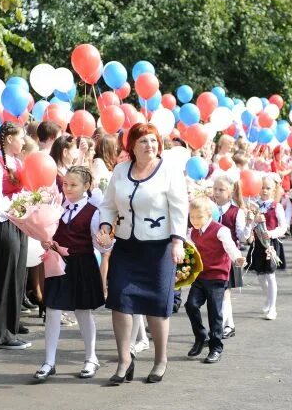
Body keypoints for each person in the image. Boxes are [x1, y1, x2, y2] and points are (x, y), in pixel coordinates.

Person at [96, 123, 188, 384]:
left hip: (159, 248)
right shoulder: (121, 171)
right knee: (120, 300)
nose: (150, 146)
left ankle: (161, 359)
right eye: (143, 142)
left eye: (153, 140)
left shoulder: (169, 171)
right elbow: (107, 205)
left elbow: (180, 209)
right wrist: (105, 227)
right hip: (126, 246)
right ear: (132, 147)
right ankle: (125, 359)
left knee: (157, 307)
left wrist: (177, 242)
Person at [34, 166, 106, 381]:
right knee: (53, 310)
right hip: (58, 264)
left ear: (87, 186)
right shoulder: (56, 209)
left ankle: (91, 357)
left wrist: (106, 242)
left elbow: (101, 245)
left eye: (73, 185)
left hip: (82, 264)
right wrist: (45, 242)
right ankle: (49, 361)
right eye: (65, 184)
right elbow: (47, 231)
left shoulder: (94, 213)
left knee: (83, 312)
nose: (68, 188)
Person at [0, 121, 32, 350]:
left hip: (18, 221)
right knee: (5, 277)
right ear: (9, 138)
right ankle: (1, 334)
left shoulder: (17, 162)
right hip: (3, 223)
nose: (23, 141)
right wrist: (16, 206)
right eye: (20, 137)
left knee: (18, 277)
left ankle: (12, 328)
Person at [185, 197, 245, 364]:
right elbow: (188, 248)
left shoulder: (220, 230)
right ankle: (201, 337)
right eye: (191, 217)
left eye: (198, 217)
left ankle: (215, 347)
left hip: (217, 277)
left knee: (215, 313)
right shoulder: (192, 231)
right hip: (200, 276)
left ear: (209, 215)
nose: (194, 221)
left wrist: (238, 258)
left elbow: (230, 247)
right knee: (191, 305)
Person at [210, 176, 248, 338]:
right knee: (219, 293)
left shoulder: (236, 212)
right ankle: (229, 325)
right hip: (212, 255)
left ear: (230, 193)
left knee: (225, 292)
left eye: (221, 190)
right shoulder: (208, 208)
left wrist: (250, 225)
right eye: (215, 189)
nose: (217, 193)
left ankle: (220, 328)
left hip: (229, 257)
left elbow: (243, 236)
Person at [245, 176, 287, 320]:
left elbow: (283, 227)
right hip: (257, 244)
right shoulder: (253, 206)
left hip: (271, 245)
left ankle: (273, 307)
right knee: (260, 276)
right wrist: (252, 222)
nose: (264, 190)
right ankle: (268, 298)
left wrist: (271, 233)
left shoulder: (277, 206)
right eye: (262, 187)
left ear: (273, 189)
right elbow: (248, 226)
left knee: (270, 275)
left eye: (268, 188)